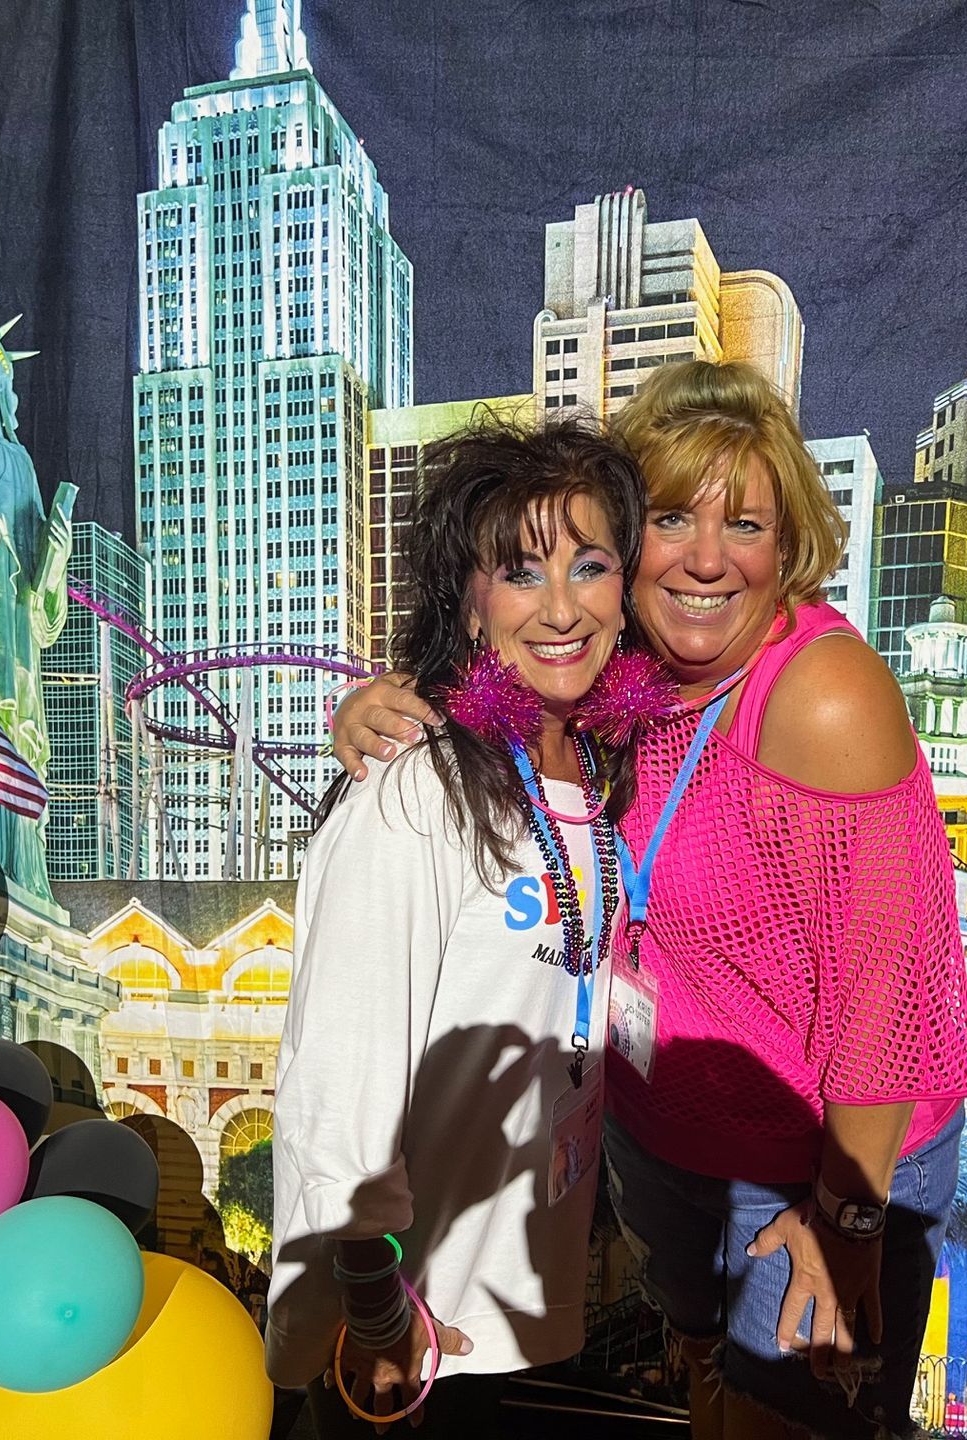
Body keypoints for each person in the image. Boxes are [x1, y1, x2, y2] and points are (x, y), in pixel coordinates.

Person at [333, 360, 967, 1440]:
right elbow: (494, 680)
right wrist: (384, 703)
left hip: (827, 1167)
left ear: (788, 545)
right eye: (674, 517)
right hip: (664, 1148)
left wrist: (849, 1221)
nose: (708, 558)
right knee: (708, 1403)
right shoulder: (613, 673)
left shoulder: (822, 697)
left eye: (747, 525)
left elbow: (888, 999)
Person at [264, 418, 651, 1436]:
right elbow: (341, 1070)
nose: (561, 607)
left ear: (625, 591)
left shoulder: (605, 771)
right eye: (521, 573)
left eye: (590, 565)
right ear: (471, 606)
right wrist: (373, 1301)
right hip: (408, 1333)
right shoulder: (418, 787)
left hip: (514, 1297)